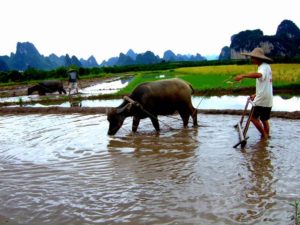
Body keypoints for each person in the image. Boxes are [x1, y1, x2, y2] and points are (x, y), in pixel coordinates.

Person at [234, 47, 273, 139]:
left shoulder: (262, 67)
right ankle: (265, 139)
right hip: (268, 98)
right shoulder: (267, 66)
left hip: (262, 99)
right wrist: (255, 94)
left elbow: (259, 75)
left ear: (258, 58)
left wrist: (243, 75)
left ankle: (264, 135)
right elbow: (265, 84)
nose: (251, 59)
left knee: (252, 118)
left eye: (253, 58)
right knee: (264, 119)